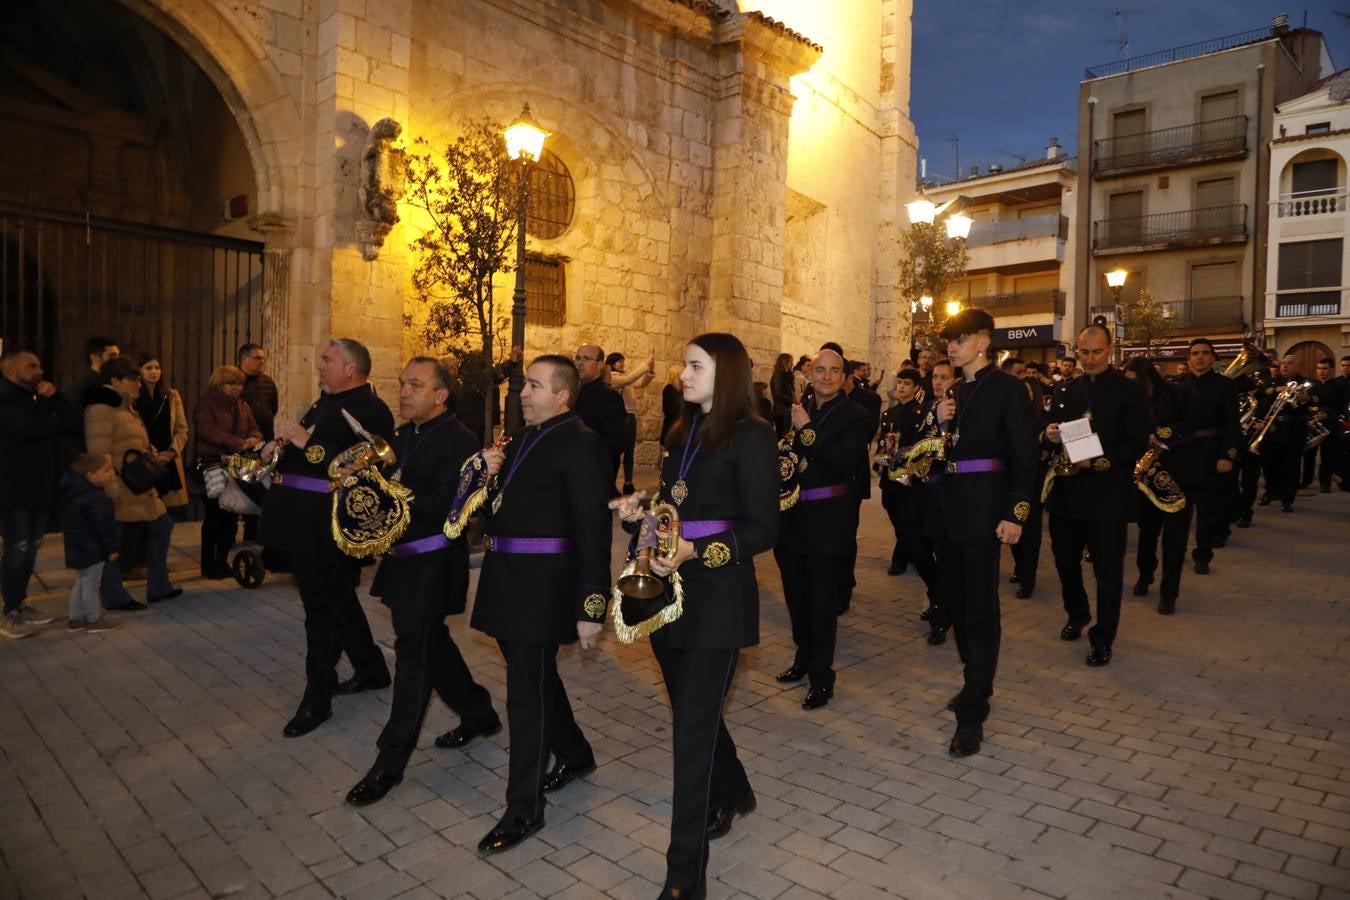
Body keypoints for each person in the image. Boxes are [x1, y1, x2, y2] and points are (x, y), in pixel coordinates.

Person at [611, 332, 778, 900]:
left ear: (724, 371)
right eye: (685, 365)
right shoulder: (683, 432)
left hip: (720, 601)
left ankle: (685, 880)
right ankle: (733, 791)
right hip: (669, 596)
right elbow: (677, 502)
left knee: (689, 734)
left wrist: (698, 551)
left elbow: (763, 528)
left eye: (694, 365)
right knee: (691, 711)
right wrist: (644, 514)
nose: (683, 374)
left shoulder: (753, 435)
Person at [471, 355, 612, 855]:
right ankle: (574, 752)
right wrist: (487, 478)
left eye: (533, 385)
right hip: (508, 579)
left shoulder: (582, 443)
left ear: (562, 395)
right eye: (523, 384)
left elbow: (594, 530)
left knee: (524, 697)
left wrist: (591, 607)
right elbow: (507, 507)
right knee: (536, 677)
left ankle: (524, 808)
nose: (523, 393)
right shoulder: (526, 438)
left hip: (541, 588)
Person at [345, 357, 501, 807]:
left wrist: (380, 491)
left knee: (414, 660)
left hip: (432, 566)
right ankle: (479, 712)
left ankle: (388, 764)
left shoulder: (461, 441)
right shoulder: (401, 435)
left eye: (415, 384)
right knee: (431, 644)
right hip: (401, 563)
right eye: (402, 383)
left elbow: (438, 506)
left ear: (440, 394)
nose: (405, 391)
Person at [259, 338, 393, 738]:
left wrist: (304, 442)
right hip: (303, 525)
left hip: (328, 529)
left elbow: (360, 465)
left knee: (321, 613)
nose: (319, 365)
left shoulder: (370, 409)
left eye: (327, 360)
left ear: (350, 368)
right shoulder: (327, 402)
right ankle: (371, 668)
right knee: (337, 600)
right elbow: (309, 453)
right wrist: (275, 449)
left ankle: (317, 698)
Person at [925, 311, 1036, 758]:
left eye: (961, 338)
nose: (952, 346)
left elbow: (1026, 457)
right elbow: (941, 453)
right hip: (949, 511)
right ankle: (973, 680)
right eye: (949, 339)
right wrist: (940, 421)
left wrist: (1017, 513)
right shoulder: (954, 391)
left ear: (984, 341)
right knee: (954, 603)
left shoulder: (1009, 389)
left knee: (980, 610)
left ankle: (974, 711)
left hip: (985, 513)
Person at [1043, 323, 1151, 668]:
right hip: (1067, 493)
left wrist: (1101, 460)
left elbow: (1136, 443)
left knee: (1107, 571)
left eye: (1097, 352)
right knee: (1064, 561)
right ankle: (1077, 613)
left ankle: (1103, 636)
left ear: (1111, 350)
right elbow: (1048, 429)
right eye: (1083, 352)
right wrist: (1047, 434)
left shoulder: (1129, 391)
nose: (1089, 359)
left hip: (1108, 496)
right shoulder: (1066, 390)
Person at [773, 348, 871, 710]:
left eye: (834, 371)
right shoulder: (800, 409)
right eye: (820, 370)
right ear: (811, 373)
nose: (826, 376)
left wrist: (807, 431)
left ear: (844, 376)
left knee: (820, 603)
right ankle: (802, 658)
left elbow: (844, 461)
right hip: (791, 518)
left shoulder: (857, 415)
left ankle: (821, 676)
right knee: (795, 597)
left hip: (828, 521)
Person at [84, 356, 181, 607]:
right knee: (113, 543)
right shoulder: (102, 409)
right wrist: (110, 489)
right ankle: (114, 596)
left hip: (140, 485)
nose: (138, 384)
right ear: (115, 381)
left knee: (162, 525)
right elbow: (99, 453)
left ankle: (159, 586)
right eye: (133, 379)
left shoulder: (127, 406)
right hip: (120, 487)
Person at [0, 350, 75, 639]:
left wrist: (55, 399)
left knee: (31, 548)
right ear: (9, 370)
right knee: (17, 549)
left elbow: (69, 422)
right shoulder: (5, 399)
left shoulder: (37, 398)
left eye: (39, 364)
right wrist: (52, 420)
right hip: (13, 489)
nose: (39, 370)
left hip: (40, 487)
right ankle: (11, 612)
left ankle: (20, 603)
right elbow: (28, 430)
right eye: (31, 366)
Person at [874, 368, 944, 643]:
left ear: (916, 387)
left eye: (907, 383)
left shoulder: (921, 413)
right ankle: (937, 594)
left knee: (919, 545)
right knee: (906, 537)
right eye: (899, 382)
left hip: (914, 488)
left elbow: (921, 449)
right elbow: (884, 446)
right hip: (892, 486)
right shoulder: (889, 414)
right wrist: (884, 456)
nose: (901, 387)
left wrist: (903, 466)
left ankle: (938, 596)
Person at [1124, 357, 1197, 615]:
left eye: (1134, 381)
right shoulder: (1131, 400)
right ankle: (1145, 575)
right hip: (1145, 477)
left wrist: (1162, 434)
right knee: (1146, 532)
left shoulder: (1180, 392)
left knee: (1175, 538)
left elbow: (1191, 422)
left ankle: (1169, 593)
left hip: (1178, 474)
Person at [1175, 339, 1240, 575]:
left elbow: (1233, 425)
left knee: (1207, 511)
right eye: (1195, 353)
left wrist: (1227, 455)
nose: (1199, 357)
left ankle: (1203, 555)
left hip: (1211, 455)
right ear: (1188, 358)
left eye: (1204, 353)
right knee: (1179, 511)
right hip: (1181, 457)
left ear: (1213, 357)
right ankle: (1177, 550)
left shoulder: (1225, 385)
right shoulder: (1176, 384)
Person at [193, 366, 263, 579]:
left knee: (230, 516)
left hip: (234, 465)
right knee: (214, 515)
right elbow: (207, 431)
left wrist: (253, 438)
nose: (237, 388)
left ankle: (222, 561)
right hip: (212, 465)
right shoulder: (207, 403)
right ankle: (208, 565)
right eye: (232, 384)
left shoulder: (242, 405)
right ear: (219, 383)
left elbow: (255, 428)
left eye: (240, 384)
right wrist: (237, 442)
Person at [59, 454, 122, 634]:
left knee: (81, 581)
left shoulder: (73, 493)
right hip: (93, 548)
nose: (111, 473)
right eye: (106, 470)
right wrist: (112, 548)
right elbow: (103, 526)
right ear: (91, 475)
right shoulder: (95, 497)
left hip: (77, 547)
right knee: (92, 584)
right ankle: (94, 618)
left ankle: (75, 618)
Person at [136, 355, 189, 513]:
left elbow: (181, 428)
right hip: (144, 456)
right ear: (139, 371)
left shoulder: (171, 395)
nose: (154, 372)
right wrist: (152, 452)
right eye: (148, 368)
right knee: (146, 507)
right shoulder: (134, 396)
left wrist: (172, 452)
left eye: (157, 368)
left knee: (167, 511)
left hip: (168, 457)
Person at [1258, 354, 1309, 513]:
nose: (1284, 366)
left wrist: (1304, 399)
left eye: (1289, 363)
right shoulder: (1273, 381)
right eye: (1283, 363)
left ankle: (1288, 499)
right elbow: (1260, 394)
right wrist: (1277, 389)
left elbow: (1313, 400)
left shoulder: (1305, 383)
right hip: (1272, 429)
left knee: (1291, 467)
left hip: (1293, 430)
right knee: (1269, 465)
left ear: (1298, 366)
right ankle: (1271, 492)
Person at [573, 343, 626, 484]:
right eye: (577, 358)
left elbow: (616, 444)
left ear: (600, 364)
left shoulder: (610, 397)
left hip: (594, 478)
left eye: (585, 358)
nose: (579, 363)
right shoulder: (572, 395)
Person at [605, 350, 655, 494]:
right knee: (615, 453)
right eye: (620, 361)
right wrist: (645, 364)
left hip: (631, 416)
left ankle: (628, 483)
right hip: (620, 416)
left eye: (623, 360)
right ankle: (610, 485)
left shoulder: (625, 376)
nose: (623, 363)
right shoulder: (612, 377)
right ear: (612, 363)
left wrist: (649, 371)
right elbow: (627, 381)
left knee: (629, 451)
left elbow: (640, 383)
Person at [1305, 358, 1344, 493]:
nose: (1321, 372)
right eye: (1319, 369)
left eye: (1325, 369)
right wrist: (1312, 411)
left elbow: (1341, 407)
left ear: (1331, 370)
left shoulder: (1338, 386)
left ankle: (1325, 483)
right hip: (1312, 424)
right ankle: (1306, 480)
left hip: (1330, 425)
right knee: (1309, 455)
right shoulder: (1311, 386)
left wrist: (1327, 414)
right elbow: (1305, 404)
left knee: (1327, 456)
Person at [64, 336, 119, 424]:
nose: (118, 360)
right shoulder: (86, 384)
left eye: (118, 355)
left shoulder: (108, 380)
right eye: (112, 355)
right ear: (95, 358)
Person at [238, 343, 278, 442]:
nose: (262, 362)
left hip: (265, 437)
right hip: (242, 439)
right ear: (245, 360)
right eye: (258, 358)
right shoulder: (234, 381)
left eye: (264, 358)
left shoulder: (268, 382)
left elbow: (273, 408)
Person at [771, 353, 795, 438]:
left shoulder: (787, 376)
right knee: (782, 437)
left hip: (786, 410)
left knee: (787, 436)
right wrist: (793, 401)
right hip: (781, 411)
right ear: (785, 362)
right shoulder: (778, 375)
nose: (792, 364)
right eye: (791, 362)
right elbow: (778, 394)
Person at [660, 364, 684, 446]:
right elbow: (668, 410)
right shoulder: (669, 389)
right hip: (671, 427)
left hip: (680, 429)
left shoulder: (683, 392)